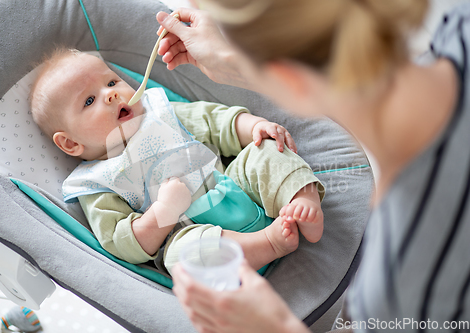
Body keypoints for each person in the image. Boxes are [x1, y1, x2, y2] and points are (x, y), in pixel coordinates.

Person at [156, 0, 470, 332]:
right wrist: (240, 63)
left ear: (288, 79)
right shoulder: (461, 24)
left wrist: (276, 327)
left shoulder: (401, 290)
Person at [29, 48, 325, 274]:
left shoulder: (161, 114)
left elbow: (214, 121)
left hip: (233, 183)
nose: (111, 95)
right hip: (188, 231)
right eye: (89, 101)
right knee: (179, 255)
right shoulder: (95, 183)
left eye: (111, 81)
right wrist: (163, 211)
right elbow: (122, 242)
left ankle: (301, 199)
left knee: (265, 151)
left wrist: (253, 126)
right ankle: (267, 244)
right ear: (70, 143)